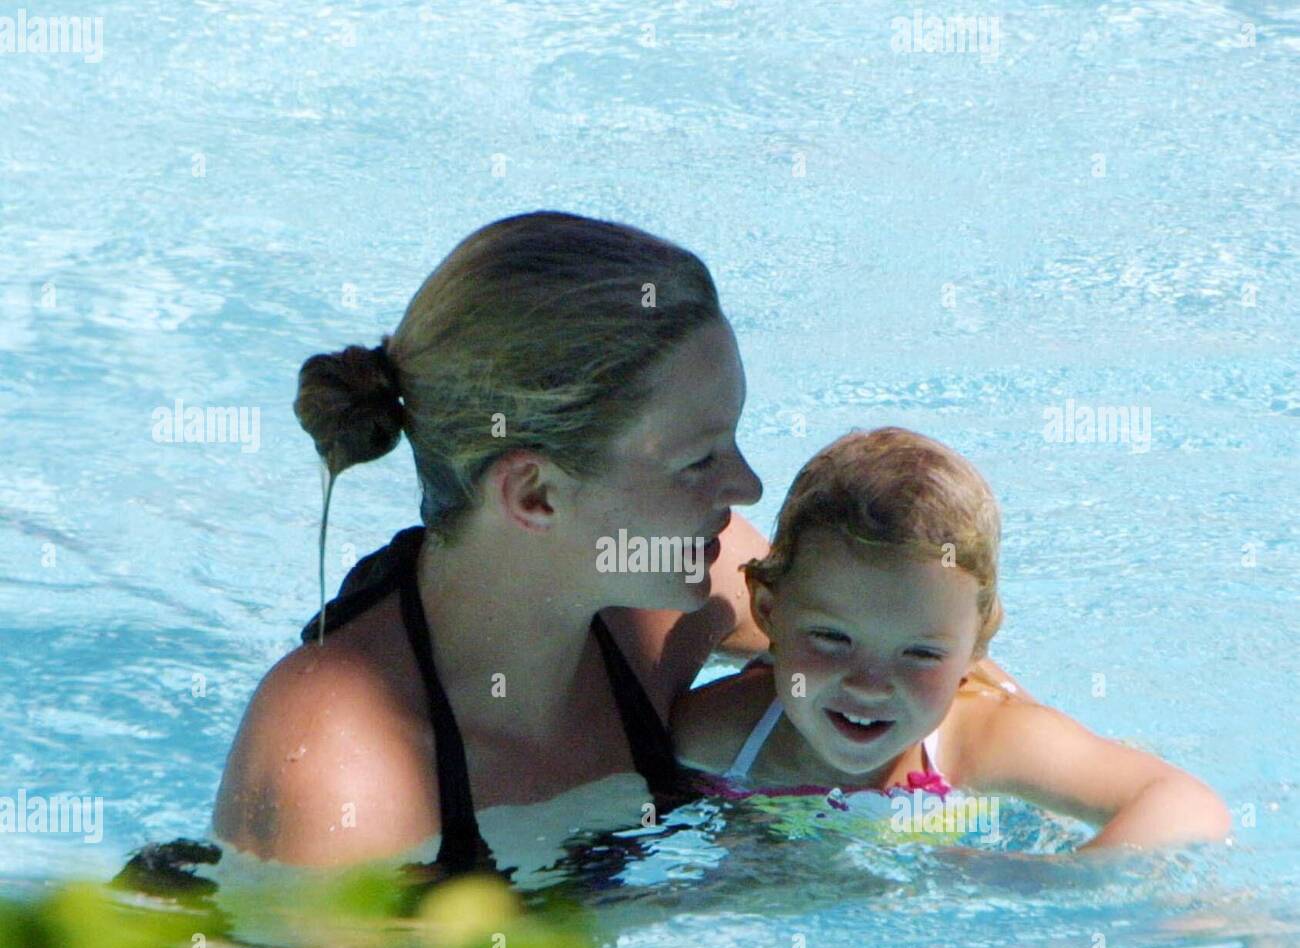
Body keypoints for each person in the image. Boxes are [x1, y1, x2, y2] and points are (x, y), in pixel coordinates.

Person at [212, 213, 1030, 878]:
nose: (746, 487)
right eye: (697, 459)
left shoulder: (676, 587)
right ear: (536, 494)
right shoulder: (340, 776)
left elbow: (888, 646)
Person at [671, 428, 1231, 850]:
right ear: (768, 612)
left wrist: (1060, 883)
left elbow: (1186, 804)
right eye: (832, 638)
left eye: (920, 653)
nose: (869, 685)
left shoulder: (986, 743)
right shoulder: (718, 735)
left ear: (976, 647)